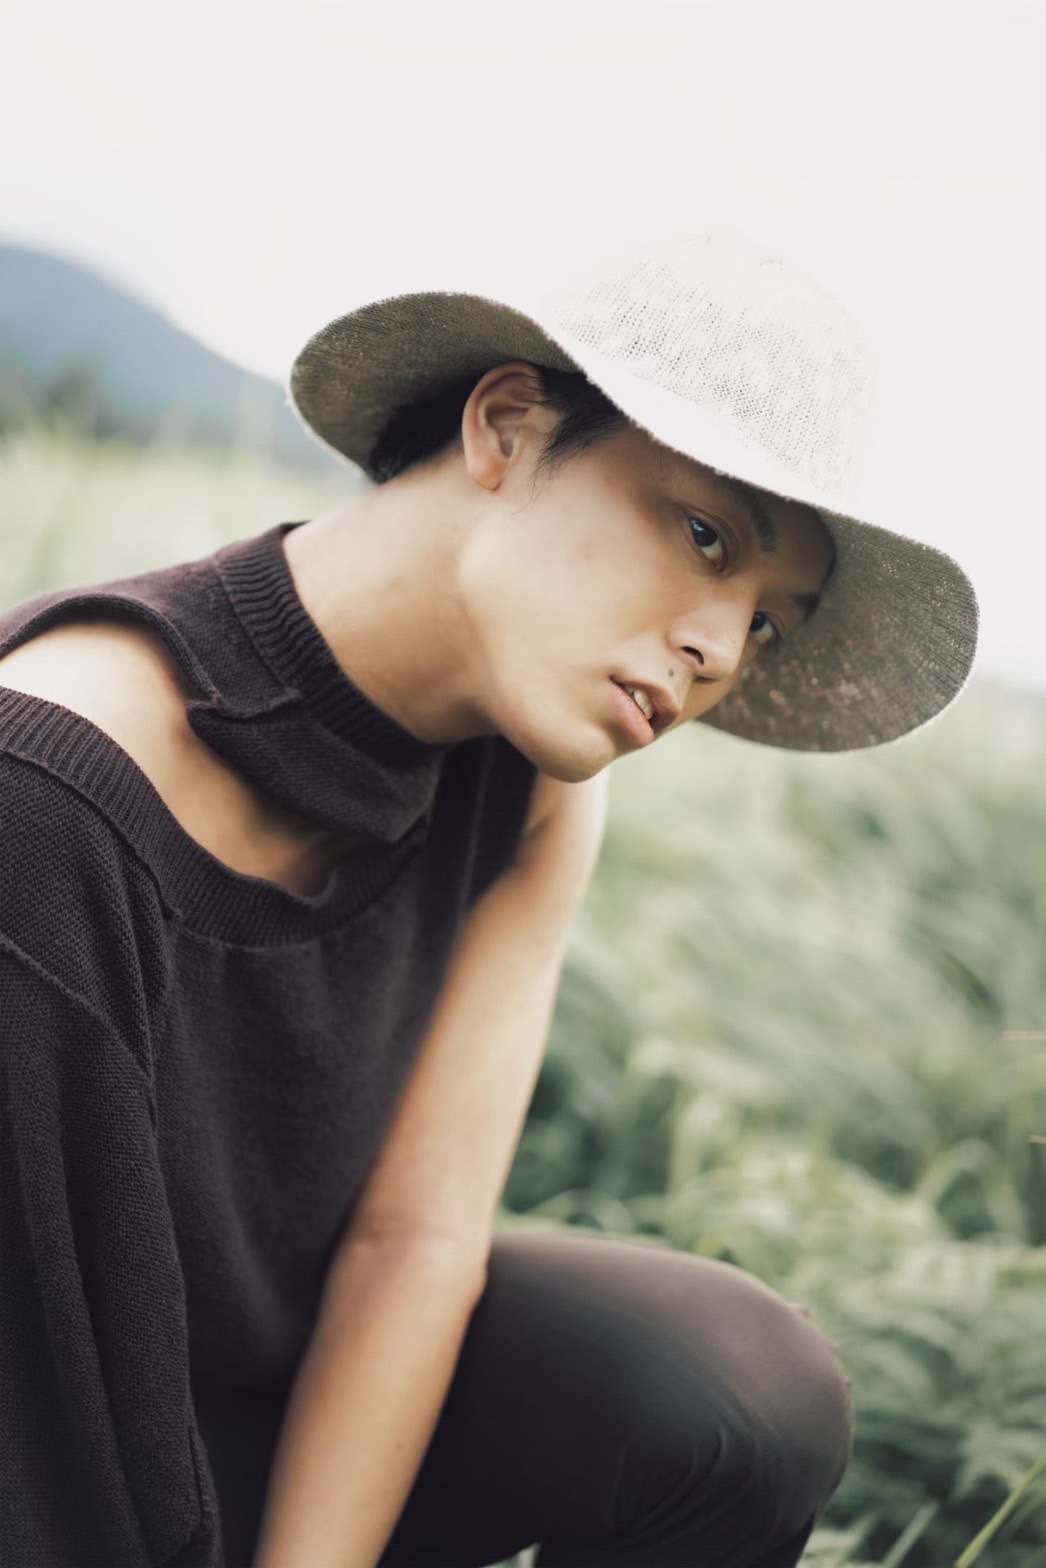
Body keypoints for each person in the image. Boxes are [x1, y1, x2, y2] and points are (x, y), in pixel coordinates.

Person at [0, 230, 978, 1568]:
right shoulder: (46, 788)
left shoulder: (533, 791)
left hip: (298, 1422)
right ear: (506, 426)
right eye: (705, 536)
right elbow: (43, 1387)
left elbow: (414, 1242)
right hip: (52, 1445)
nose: (715, 651)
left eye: (766, 622)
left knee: (736, 1392)